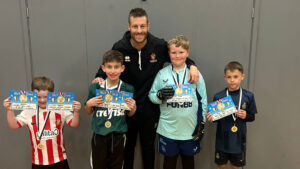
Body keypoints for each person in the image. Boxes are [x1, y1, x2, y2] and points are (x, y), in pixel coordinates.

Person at [93, 8, 200, 169]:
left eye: (142, 26)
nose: (139, 31)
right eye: (135, 26)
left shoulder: (158, 45)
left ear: (148, 26)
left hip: (150, 106)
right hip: (126, 104)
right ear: (129, 27)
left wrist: (193, 66)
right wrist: (99, 75)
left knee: (148, 148)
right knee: (127, 147)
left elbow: (178, 56)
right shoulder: (120, 46)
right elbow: (109, 64)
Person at [148, 35, 207, 169]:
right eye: (173, 52)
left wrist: (202, 122)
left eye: (181, 52)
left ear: (187, 53)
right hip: (168, 130)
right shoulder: (162, 74)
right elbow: (151, 95)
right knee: (169, 163)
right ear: (169, 54)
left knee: (189, 163)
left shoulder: (195, 74)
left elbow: (203, 99)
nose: (177, 56)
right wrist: (159, 95)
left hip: (190, 129)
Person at [3, 76, 81, 169]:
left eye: (46, 97)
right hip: (38, 161)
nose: (42, 100)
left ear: (52, 94)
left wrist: (76, 112)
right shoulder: (29, 110)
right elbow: (13, 125)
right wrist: (9, 110)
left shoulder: (59, 108)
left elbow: (74, 124)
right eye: (39, 97)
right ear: (33, 94)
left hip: (59, 159)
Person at [85, 50, 136, 169]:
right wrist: (88, 104)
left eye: (116, 67)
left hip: (118, 135)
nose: (113, 71)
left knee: (117, 166)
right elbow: (89, 111)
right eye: (109, 67)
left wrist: (133, 107)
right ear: (103, 68)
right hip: (99, 135)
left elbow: (130, 114)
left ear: (122, 68)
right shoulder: (95, 88)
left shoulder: (127, 88)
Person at [206, 61, 258, 169]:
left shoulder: (248, 96)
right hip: (222, 140)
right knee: (221, 166)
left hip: (238, 141)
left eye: (235, 76)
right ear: (225, 77)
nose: (232, 80)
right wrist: (211, 118)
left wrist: (245, 116)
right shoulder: (219, 96)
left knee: (235, 167)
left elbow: (252, 117)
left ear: (242, 77)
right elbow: (215, 119)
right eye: (229, 77)